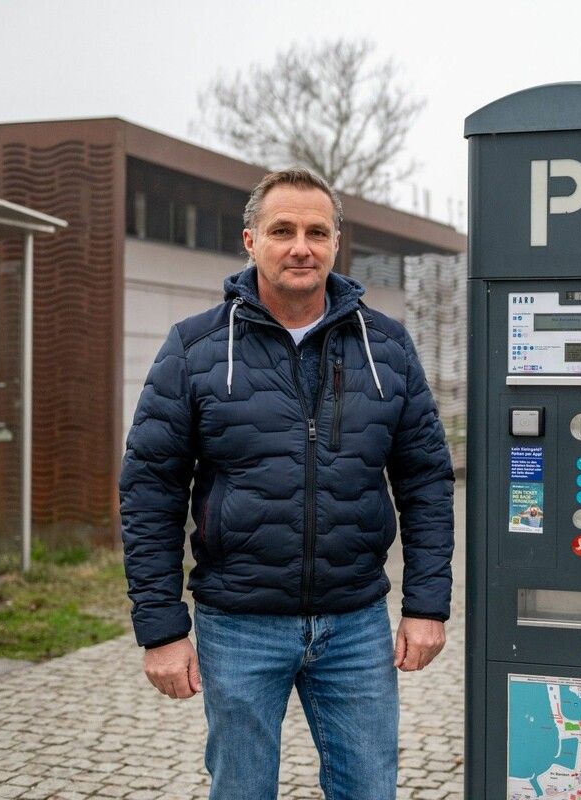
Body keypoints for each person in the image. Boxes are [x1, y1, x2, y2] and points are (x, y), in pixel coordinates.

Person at [119, 168, 455, 800]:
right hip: (237, 624)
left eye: (316, 232)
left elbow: (427, 481)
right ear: (251, 241)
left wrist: (425, 605)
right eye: (283, 230)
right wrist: (162, 628)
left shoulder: (386, 346)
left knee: (370, 790)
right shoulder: (195, 348)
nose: (301, 246)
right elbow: (150, 490)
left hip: (356, 623)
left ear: (335, 244)